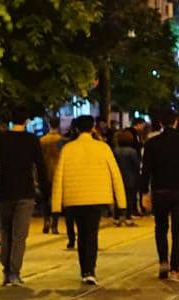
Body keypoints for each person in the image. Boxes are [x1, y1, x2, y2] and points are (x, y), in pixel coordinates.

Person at [51, 116, 126, 286]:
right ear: (93, 128)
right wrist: (122, 204)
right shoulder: (103, 148)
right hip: (97, 197)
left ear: (76, 129)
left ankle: (84, 269)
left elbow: (58, 178)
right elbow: (116, 175)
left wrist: (55, 206)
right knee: (91, 234)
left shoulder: (68, 149)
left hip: (74, 199)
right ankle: (90, 270)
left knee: (81, 233)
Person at [0, 107, 50, 286]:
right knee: (20, 234)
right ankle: (14, 272)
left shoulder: (0, 139)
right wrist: (45, 190)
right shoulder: (31, 140)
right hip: (25, 191)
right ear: (26, 121)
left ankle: (6, 270)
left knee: (5, 230)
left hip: (4, 192)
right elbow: (40, 166)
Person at [141, 110, 179, 279]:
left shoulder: (152, 143)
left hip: (160, 191)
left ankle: (163, 262)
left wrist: (144, 192)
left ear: (160, 123)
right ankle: (175, 267)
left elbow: (146, 171)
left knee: (161, 227)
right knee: (178, 230)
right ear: (176, 121)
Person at [39, 119, 66, 234]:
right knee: (56, 199)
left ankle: (46, 221)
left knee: (44, 199)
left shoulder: (42, 140)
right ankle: (54, 224)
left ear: (49, 125)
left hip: (44, 172)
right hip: (58, 172)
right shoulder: (62, 140)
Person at [112, 130, 140, 226]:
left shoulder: (115, 150)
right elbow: (136, 164)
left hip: (118, 176)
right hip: (130, 177)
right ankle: (128, 217)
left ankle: (117, 217)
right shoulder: (132, 151)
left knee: (118, 198)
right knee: (129, 197)